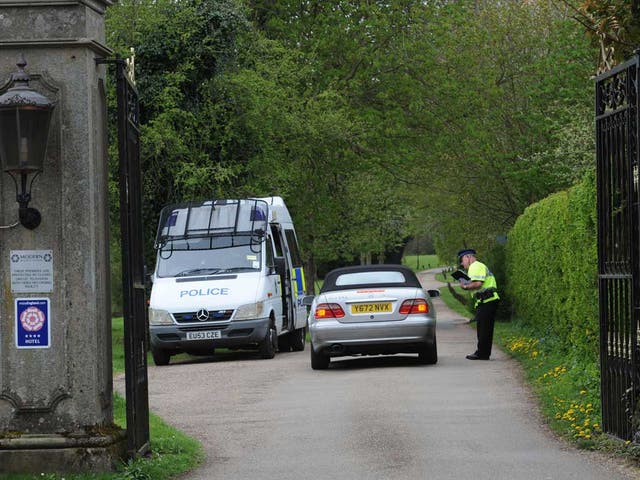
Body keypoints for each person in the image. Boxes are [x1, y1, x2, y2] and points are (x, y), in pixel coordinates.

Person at [457, 248, 500, 360]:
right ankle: (482, 352)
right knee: (483, 328)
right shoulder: (477, 266)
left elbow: (478, 284)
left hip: (487, 300)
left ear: (468, 257)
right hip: (486, 301)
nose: (462, 263)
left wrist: (465, 286)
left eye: (462, 260)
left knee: (484, 329)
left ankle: (482, 353)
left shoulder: (475, 266)